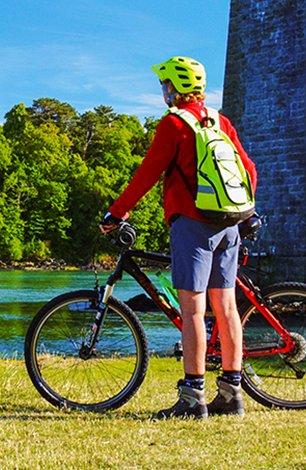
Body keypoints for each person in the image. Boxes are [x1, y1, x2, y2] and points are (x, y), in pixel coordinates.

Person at [101, 56, 257, 418]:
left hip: (192, 223)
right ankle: (232, 394)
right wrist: (246, 211)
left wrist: (117, 212)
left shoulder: (174, 125)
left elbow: (147, 173)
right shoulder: (221, 121)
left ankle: (192, 399)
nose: (162, 90)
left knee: (191, 311)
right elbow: (248, 169)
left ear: (173, 86)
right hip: (230, 224)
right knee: (228, 309)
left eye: (164, 84)